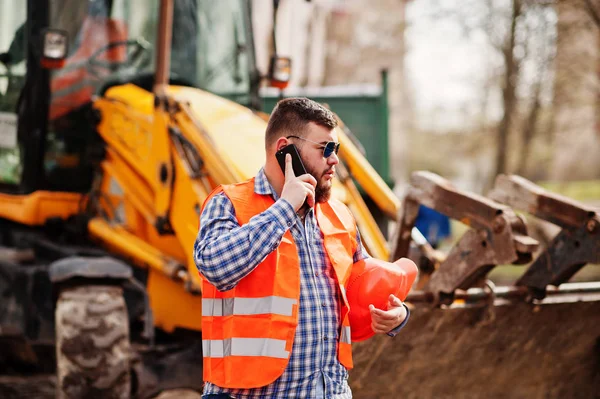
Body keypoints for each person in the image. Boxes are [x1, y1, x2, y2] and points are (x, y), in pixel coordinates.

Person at [194, 97, 410, 399]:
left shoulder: (339, 215)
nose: (334, 160)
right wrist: (285, 208)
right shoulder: (228, 203)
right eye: (326, 149)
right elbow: (214, 266)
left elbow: (362, 289)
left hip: (330, 392)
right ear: (285, 149)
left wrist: (396, 315)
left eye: (337, 150)